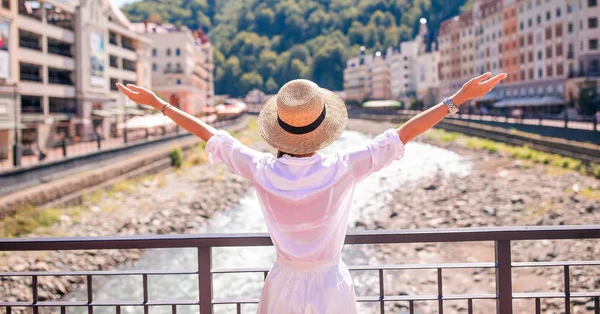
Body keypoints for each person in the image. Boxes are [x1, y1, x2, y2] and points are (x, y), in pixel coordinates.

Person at [117, 71, 506, 314]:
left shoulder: (261, 169)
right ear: (323, 128)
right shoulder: (342, 168)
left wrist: (159, 104)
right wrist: (457, 99)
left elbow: (211, 134)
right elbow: (403, 134)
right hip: (330, 285)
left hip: (283, 283)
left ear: (279, 129)